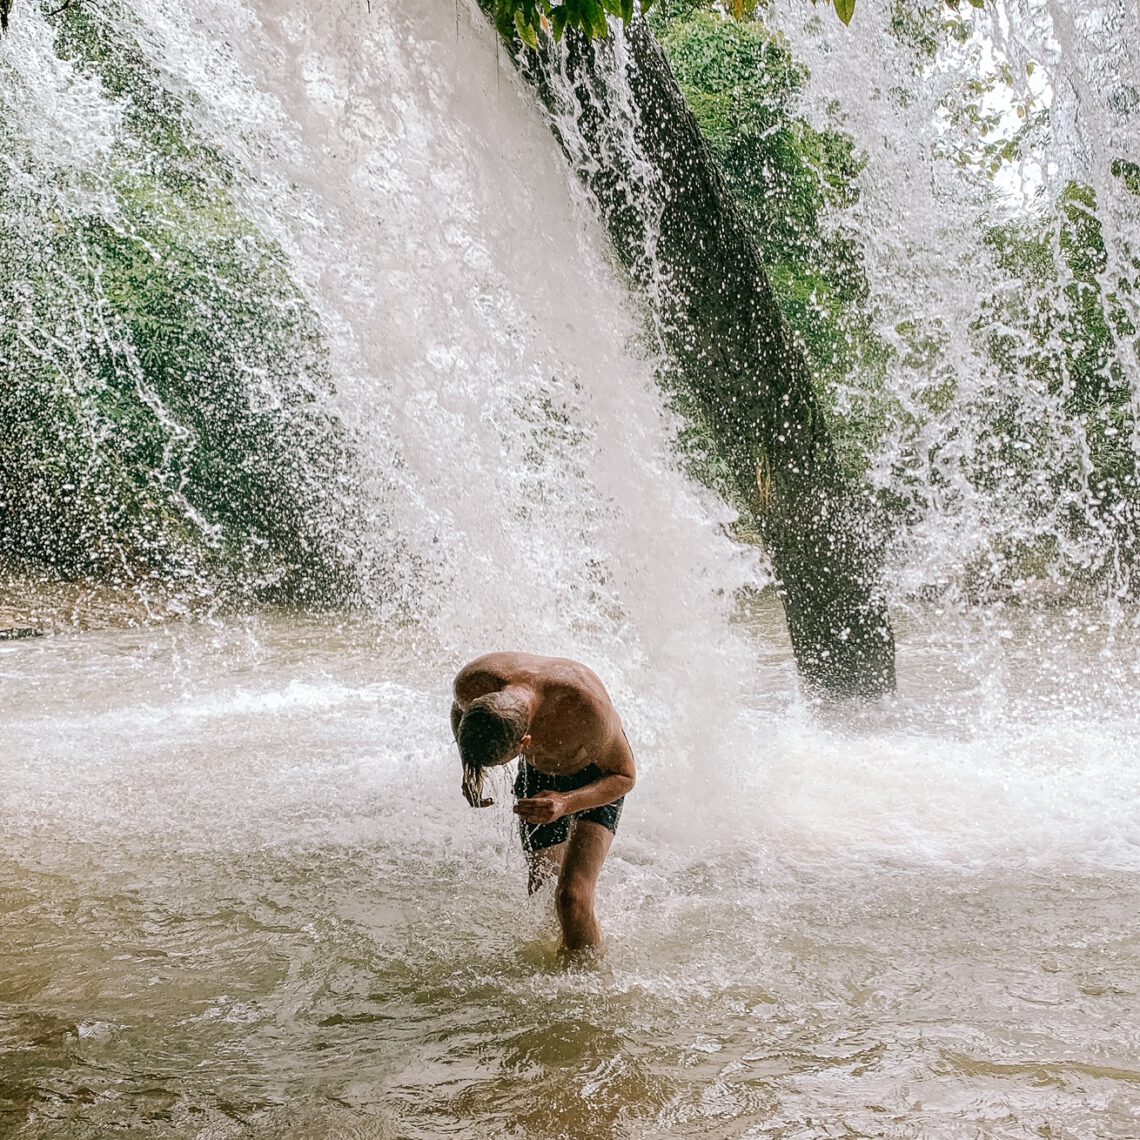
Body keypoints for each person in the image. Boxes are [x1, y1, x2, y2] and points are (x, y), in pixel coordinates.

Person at [450, 651, 636, 954]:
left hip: (596, 777)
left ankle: (587, 982)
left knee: (571, 898)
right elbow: (459, 712)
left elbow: (625, 775)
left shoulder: (586, 708)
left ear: (526, 742)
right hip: (539, 778)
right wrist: (470, 767)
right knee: (542, 892)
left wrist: (565, 803)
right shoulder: (473, 681)